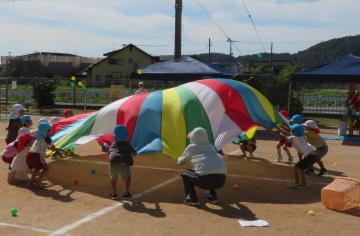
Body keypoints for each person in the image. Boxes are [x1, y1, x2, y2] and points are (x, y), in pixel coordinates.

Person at [177, 127, 227, 206]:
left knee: (184, 172)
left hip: (204, 181)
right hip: (221, 180)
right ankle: (212, 196)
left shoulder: (192, 147)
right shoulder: (211, 146)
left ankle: (192, 199)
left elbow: (180, 162)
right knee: (210, 168)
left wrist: (182, 155)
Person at [107, 125, 137, 200]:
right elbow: (134, 153)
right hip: (123, 163)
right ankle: (126, 193)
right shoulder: (127, 145)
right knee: (128, 178)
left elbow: (109, 153)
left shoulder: (113, 144)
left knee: (113, 178)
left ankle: (114, 193)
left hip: (113, 162)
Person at [26, 122, 58, 187]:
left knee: (37, 168)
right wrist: (60, 149)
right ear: (46, 131)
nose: (51, 131)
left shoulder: (38, 137)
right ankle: (38, 182)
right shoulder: (48, 140)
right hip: (37, 156)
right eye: (49, 130)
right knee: (46, 168)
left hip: (30, 155)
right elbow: (53, 149)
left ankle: (31, 182)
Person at [287, 124, 316, 189]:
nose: (291, 130)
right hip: (313, 155)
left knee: (296, 167)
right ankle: (303, 183)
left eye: (292, 130)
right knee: (301, 168)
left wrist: (279, 131)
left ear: (294, 132)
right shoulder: (302, 136)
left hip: (310, 156)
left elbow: (286, 139)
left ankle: (297, 183)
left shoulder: (292, 138)